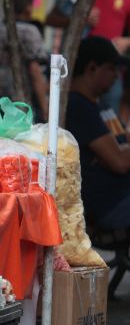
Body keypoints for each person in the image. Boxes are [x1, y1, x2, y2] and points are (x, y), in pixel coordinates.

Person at [65, 37, 130, 229]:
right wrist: (121, 152)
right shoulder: (78, 107)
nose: (116, 76)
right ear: (92, 68)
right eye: (111, 69)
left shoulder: (100, 104)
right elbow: (120, 162)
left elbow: (124, 144)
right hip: (112, 204)